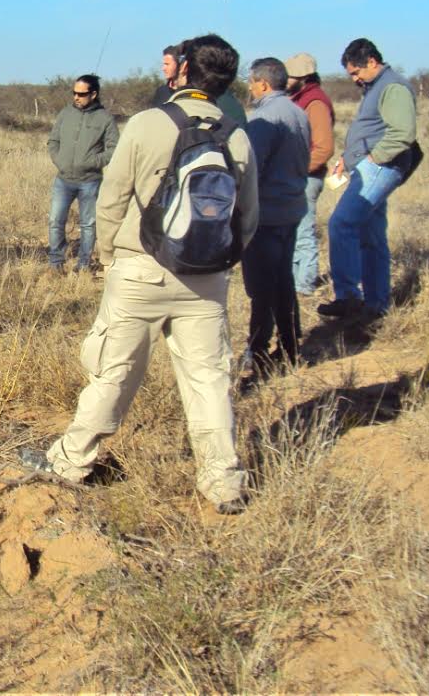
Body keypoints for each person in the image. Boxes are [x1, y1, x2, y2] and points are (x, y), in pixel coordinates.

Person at [19, 34, 259, 515]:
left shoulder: (150, 123)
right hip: (207, 280)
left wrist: (111, 255)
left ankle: (70, 462)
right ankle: (223, 481)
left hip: (140, 269)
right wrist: (218, 265)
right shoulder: (236, 133)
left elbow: (111, 199)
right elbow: (248, 218)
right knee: (209, 381)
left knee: (114, 372)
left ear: (184, 70)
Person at [319, 38, 418, 321]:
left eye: (356, 72)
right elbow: (371, 130)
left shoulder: (393, 87)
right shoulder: (375, 87)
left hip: (382, 167)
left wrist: (372, 159)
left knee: (342, 223)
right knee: (371, 237)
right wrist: (347, 160)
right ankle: (376, 306)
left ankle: (348, 296)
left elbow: (402, 134)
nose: (354, 78)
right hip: (371, 166)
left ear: (372, 62)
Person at [242, 57, 311, 374]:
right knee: (283, 281)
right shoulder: (298, 112)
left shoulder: (265, 118)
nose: (250, 88)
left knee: (261, 287)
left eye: (252, 82)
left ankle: (257, 351)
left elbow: (251, 169)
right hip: (292, 209)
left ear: (264, 84)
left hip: (267, 214)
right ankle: (291, 345)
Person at [47, 74, 118, 272]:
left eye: (81, 94)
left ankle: (84, 264)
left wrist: (93, 163)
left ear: (93, 94)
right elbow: (53, 141)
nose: (76, 97)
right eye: (74, 93)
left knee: (88, 224)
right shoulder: (65, 114)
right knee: (55, 220)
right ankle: (56, 262)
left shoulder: (105, 119)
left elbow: (113, 149)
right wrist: (59, 160)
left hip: (90, 182)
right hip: (63, 180)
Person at [285, 53, 335, 295]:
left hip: (307, 178)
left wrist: (297, 170)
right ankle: (295, 283)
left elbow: (324, 148)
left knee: (303, 233)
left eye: (291, 76)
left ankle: (303, 287)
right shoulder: (300, 99)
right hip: (298, 176)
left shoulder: (314, 102)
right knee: (294, 231)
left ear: (303, 77)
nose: (286, 80)